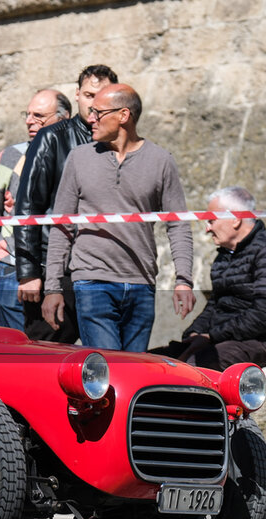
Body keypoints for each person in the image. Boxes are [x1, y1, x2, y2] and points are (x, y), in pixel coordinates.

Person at [41, 84, 194, 352]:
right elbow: (61, 226)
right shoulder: (79, 159)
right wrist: (52, 287)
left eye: (97, 113)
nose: (90, 119)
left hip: (141, 285)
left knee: (135, 373)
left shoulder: (161, 161)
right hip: (91, 281)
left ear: (124, 115)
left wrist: (184, 279)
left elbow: (178, 225)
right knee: (109, 369)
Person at [13, 64, 118, 342]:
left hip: (101, 269)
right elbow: (27, 206)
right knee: (45, 354)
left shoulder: (118, 142)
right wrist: (29, 272)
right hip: (55, 269)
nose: (94, 102)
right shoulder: (52, 138)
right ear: (77, 95)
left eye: (101, 94)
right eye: (87, 94)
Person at [154, 186, 266, 369]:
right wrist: (195, 333)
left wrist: (213, 336)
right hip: (227, 338)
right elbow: (216, 305)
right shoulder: (224, 256)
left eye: (211, 220)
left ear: (235, 219)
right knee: (153, 360)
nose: (207, 229)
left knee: (200, 365)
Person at [0, 89, 71, 330]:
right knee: (11, 353)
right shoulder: (10, 157)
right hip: (11, 271)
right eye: (27, 115)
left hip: (61, 272)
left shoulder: (76, 157)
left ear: (63, 119)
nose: (29, 121)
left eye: (38, 116)